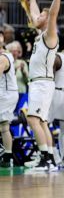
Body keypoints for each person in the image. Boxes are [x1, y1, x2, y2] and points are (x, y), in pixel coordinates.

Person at [26, 0, 60, 170]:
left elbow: (53, 13)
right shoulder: (40, 36)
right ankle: (50, 158)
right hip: (40, 83)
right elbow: (33, 14)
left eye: (41, 15)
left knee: (32, 119)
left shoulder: (50, 35)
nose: (36, 17)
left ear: (47, 20)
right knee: (42, 122)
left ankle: (45, 159)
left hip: (42, 83)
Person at [47, 52, 64, 166]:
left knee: (46, 124)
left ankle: (54, 155)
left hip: (55, 91)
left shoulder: (57, 57)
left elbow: (49, 75)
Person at [0, 34, 19, 167]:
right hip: (7, 93)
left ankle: (7, 156)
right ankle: (6, 156)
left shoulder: (3, 58)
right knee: (4, 127)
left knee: (4, 126)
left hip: (6, 94)